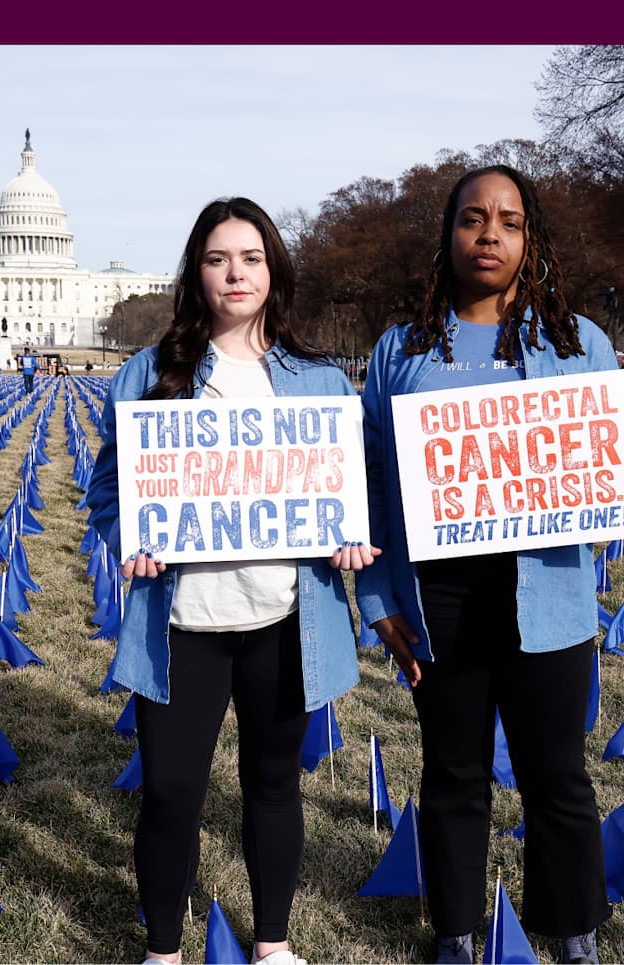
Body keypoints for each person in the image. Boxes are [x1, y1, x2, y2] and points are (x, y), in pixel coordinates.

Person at [356, 165, 624, 965]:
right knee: (452, 772)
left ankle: (573, 929)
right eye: (472, 219)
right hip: (442, 601)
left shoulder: (578, 341)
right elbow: (368, 486)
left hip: (551, 596)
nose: (489, 234)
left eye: (508, 221)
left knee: (558, 774)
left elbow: (611, 468)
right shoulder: (402, 349)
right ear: (449, 234)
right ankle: (457, 930)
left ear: (530, 240)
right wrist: (375, 597)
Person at [87, 197, 378, 965]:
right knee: (172, 793)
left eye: (250, 257)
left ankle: (272, 942)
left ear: (273, 268)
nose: (235, 273)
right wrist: (131, 541)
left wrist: (351, 535)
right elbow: (107, 490)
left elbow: (351, 491)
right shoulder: (148, 375)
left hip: (283, 618)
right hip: (183, 623)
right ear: (197, 273)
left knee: (274, 785)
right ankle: (163, 949)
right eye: (218, 259)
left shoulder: (319, 382)